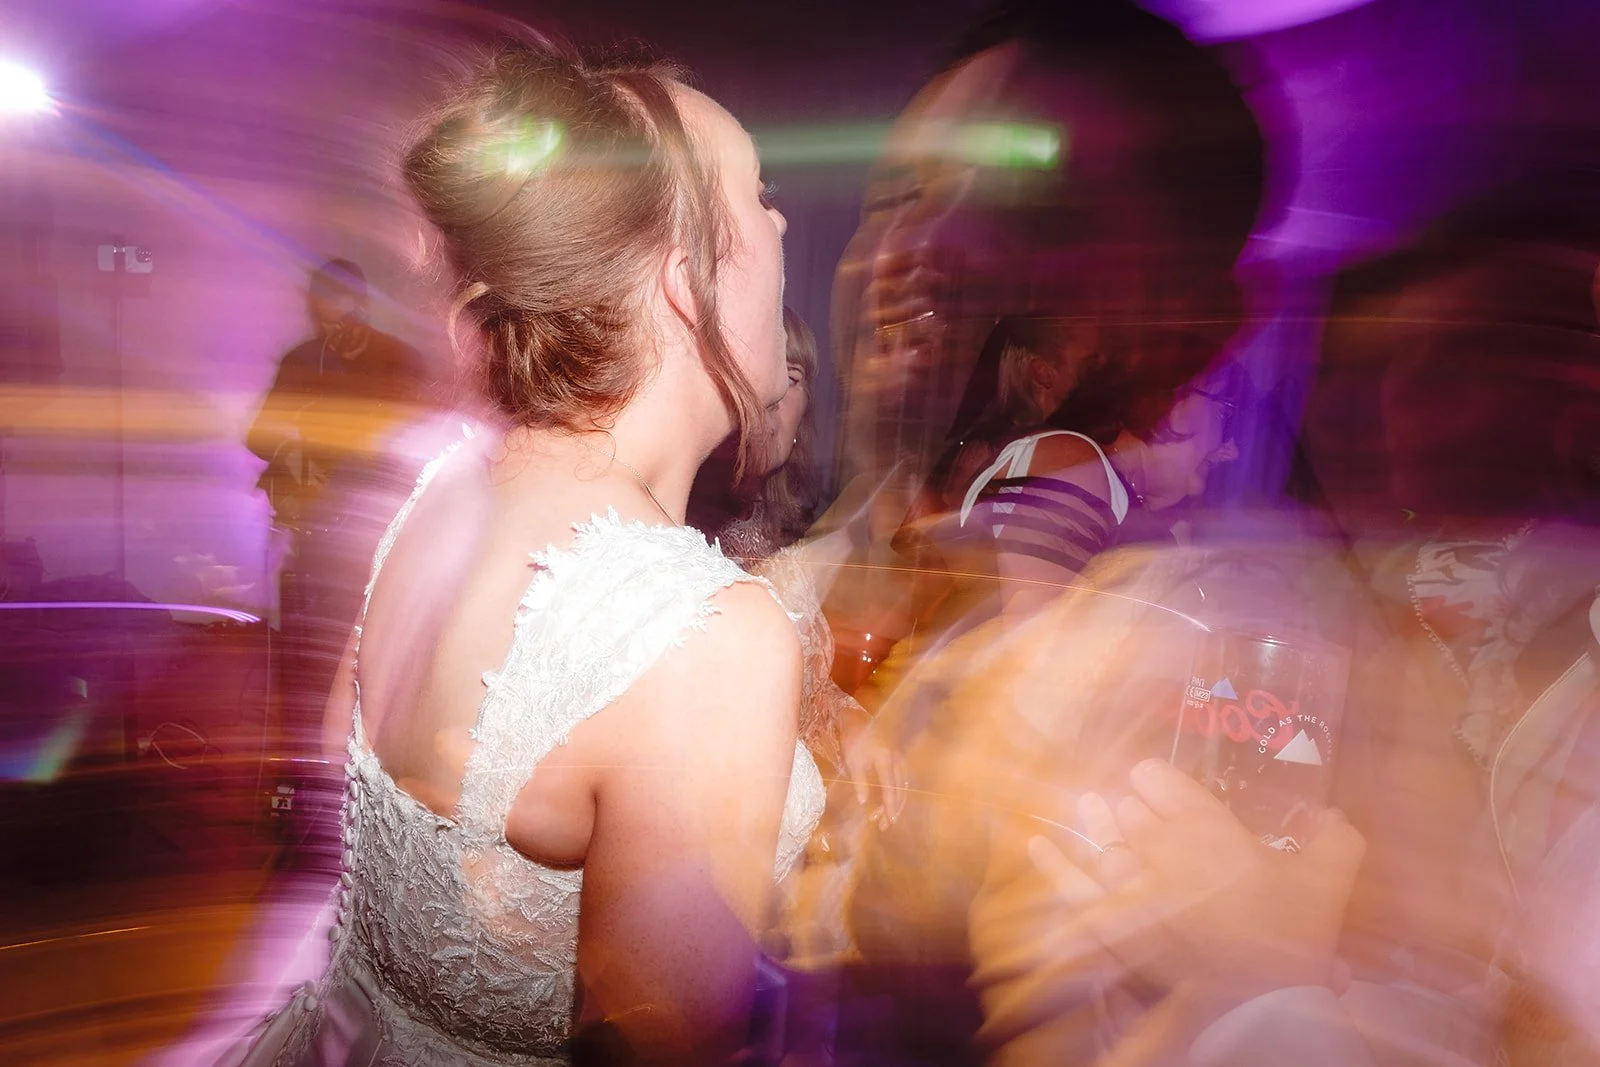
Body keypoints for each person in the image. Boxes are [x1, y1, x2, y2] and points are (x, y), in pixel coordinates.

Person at [221, 34, 821, 1067]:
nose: (781, 220)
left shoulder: (441, 481)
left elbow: (342, 775)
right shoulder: (700, 636)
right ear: (685, 284)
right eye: (758, 192)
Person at [246, 259, 432, 755]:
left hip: (374, 531)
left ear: (361, 306)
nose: (328, 325)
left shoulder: (399, 360)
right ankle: (310, 755)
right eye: (319, 312)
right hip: (313, 535)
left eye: (337, 311)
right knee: (310, 657)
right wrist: (292, 445)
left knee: (372, 653)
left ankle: (369, 759)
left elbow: (416, 444)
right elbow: (257, 436)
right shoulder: (302, 359)